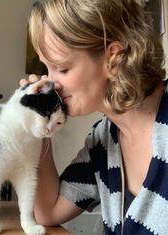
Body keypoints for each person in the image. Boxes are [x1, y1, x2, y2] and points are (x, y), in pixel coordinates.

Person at [20, 0, 167, 234]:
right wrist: (40, 125)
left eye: (62, 68)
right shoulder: (103, 139)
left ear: (114, 59)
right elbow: (48, 212)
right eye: (47, 68)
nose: (49, 83)